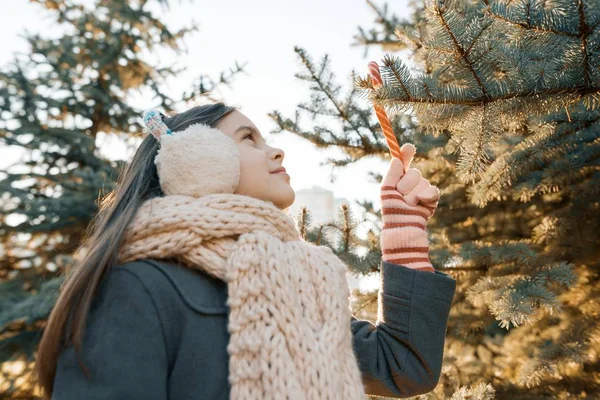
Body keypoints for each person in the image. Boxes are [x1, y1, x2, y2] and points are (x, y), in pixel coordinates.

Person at [34, 103, 456, 399]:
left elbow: (402, 366)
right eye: (247, 137)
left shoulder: (291, 287)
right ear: (196, 158)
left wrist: (404, 227)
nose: (274, 150)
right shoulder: (137, 286)